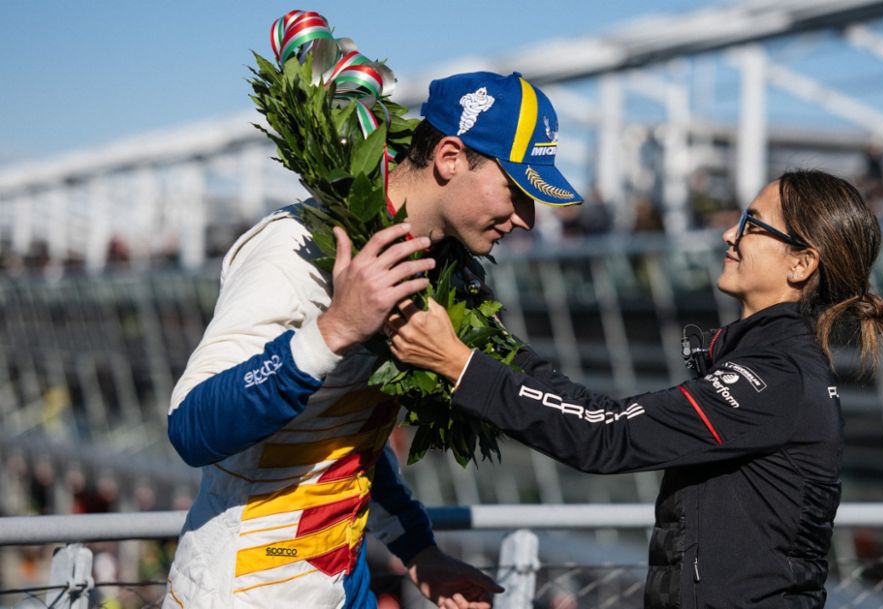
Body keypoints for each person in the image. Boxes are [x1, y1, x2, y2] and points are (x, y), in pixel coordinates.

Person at [163, 71, 583, 609]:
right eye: (516, 190)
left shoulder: (434, 269)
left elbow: (345, 439)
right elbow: (189, 425)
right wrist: (334, 329)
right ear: (450, 158)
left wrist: (418, 551)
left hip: (341, 588)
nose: (526, 219)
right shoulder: (291, 248)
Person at [387, 170, 883, 609]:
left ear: (800, 264)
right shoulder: (775, 365)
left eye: (751, 224)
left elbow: (605, 435)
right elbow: (595, 415)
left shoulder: (777, 378)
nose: (728, 235)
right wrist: (487, 339)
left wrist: (461, 364)